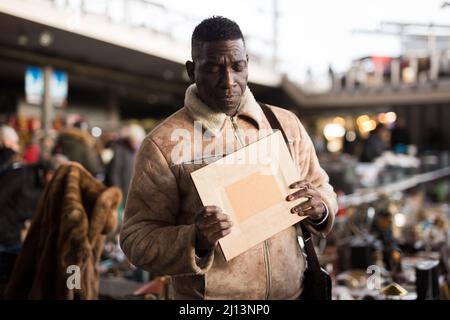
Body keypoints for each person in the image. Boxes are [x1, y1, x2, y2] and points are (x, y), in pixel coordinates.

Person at [120, 16, 338, 300]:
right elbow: (137, 240)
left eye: (238, 67)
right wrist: (195, 239)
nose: (228, 82)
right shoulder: (163, 145)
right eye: (213, 69)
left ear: (247, 63)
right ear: (191, 70)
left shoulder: (285, 125)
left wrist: (321, 208)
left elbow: (323, 188)